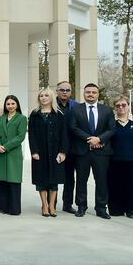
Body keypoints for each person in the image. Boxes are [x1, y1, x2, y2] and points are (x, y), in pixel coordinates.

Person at [68, 83, 116, 219]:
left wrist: (99, 139)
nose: (90, 94)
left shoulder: (106, 110)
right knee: (81, 180)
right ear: (84, 93)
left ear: (98, 94)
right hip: (82, 151)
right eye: (88, 92)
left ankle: (101, 208)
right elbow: (73, 127)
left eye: (93, 92)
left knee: (101, 180)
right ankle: (81, 206)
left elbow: (112, 129)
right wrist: (90, 139)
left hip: (101, 152)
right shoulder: (76, 110)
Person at [28, 88, 68, 217]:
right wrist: (34, 151)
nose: (43, 98)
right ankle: (44, 204)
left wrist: (63, 152)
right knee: (41, 179)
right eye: (41, 96)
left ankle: (52, 205)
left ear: (51, 98)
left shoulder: (59, 114)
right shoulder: (34, 114)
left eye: (46, 95)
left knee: (54, 179)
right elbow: (32, 135)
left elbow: (64, 135)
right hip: (40, 152)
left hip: (55, 151)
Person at [108, 96, 133, 219]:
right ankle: (117, 209)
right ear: (115, 107)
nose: (121, 107)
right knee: (116, 185)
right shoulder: (111, 121)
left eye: (123, 105)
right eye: (118, 105)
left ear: (128, 105)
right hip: (115, 160)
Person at [0, 95, 27, 216]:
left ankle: (14, 209)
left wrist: (6, 146)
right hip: (0, 153)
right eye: (8, 104)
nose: (10, 106)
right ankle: (3, 207)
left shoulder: (22, 118)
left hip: (13, 153)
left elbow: (20, 136)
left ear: (17, 105)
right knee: (1, 180)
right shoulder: (2, 118)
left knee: (13, 180)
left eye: (13, 103)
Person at [56, 81, 79, 214]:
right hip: (54, 147)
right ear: (57, 91)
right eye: (62, 90)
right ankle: (51, 203)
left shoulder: (76, 106)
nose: (65, 92)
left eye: (67, 90)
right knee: (53, 176)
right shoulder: (51, 104)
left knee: (70, 178)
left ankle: (67, 204)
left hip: (72, 147)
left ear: (71, 91)